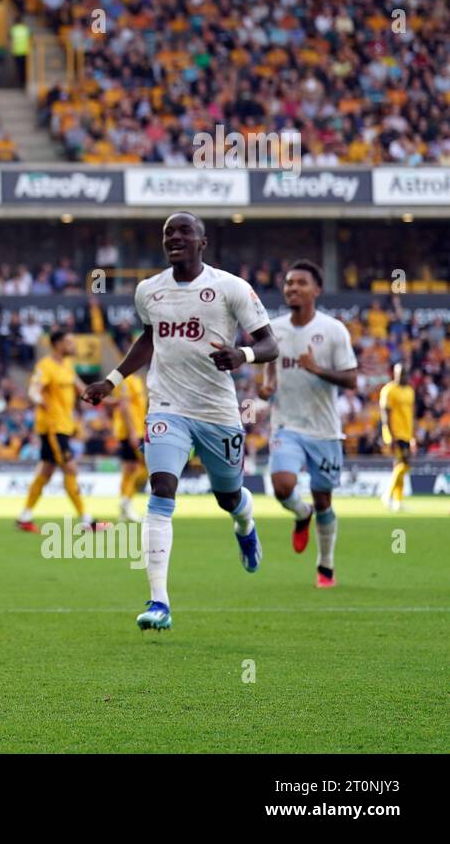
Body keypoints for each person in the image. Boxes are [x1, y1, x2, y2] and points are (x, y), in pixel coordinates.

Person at [81, 212, 278, 632]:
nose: (175, 238)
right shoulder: (149, 291)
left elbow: (269, 342)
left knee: (228, 497)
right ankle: (159, 601)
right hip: (167, 408)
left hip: (217, 412)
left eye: (184, 232)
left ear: (202, 243)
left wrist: (241, 355)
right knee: (162, 488)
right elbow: (150, 337)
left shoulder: (230, 287)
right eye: (169, 233)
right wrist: (112, 381)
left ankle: (245, 524)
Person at [258, 260, 357, 588]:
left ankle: (325, 565)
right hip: (286, 425)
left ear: (316, 290)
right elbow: (270, 368)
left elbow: (352, 379)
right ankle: (301, 514)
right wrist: (267, 384)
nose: (292, 288)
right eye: (288, 283)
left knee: (324, 500)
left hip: (325, 430)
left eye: (300, 283)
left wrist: (317, 370)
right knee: (282, 485)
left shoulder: (333, 331)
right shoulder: (275, 329)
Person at [15, 327, 105, 533]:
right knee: (71, 468)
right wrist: (39, 400)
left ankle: (24, 517)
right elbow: (34, 389)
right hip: (53, 428)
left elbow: (81, 388)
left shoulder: (67, 364)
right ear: (57, 344)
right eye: (69, 342)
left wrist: (106, 401)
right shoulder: (45, 366)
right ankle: (86, 520)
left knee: (46, 471)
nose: (73, 345)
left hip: (64, 426)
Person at [378, 363, 416, 512]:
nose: (402, 376)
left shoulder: (410, 391)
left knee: (400, 465)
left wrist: (413, 436)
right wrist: (390, 435)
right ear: (394, 374)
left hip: (406, 433)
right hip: (395, 433)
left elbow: (410, 415)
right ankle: (388, 494)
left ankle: (398, 501)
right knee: (404, 463)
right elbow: (385, 413)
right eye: (399, 374)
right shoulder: (389, 390)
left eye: (404, 374)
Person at [111, 369, 147, 524]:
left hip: (138, 429)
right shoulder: (124, 380)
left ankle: (125, 507)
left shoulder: (137, 380)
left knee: (129, 469)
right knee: (143, 467)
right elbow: (124, 406)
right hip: (130, 431)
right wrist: (132, 432)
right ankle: (126, 501)